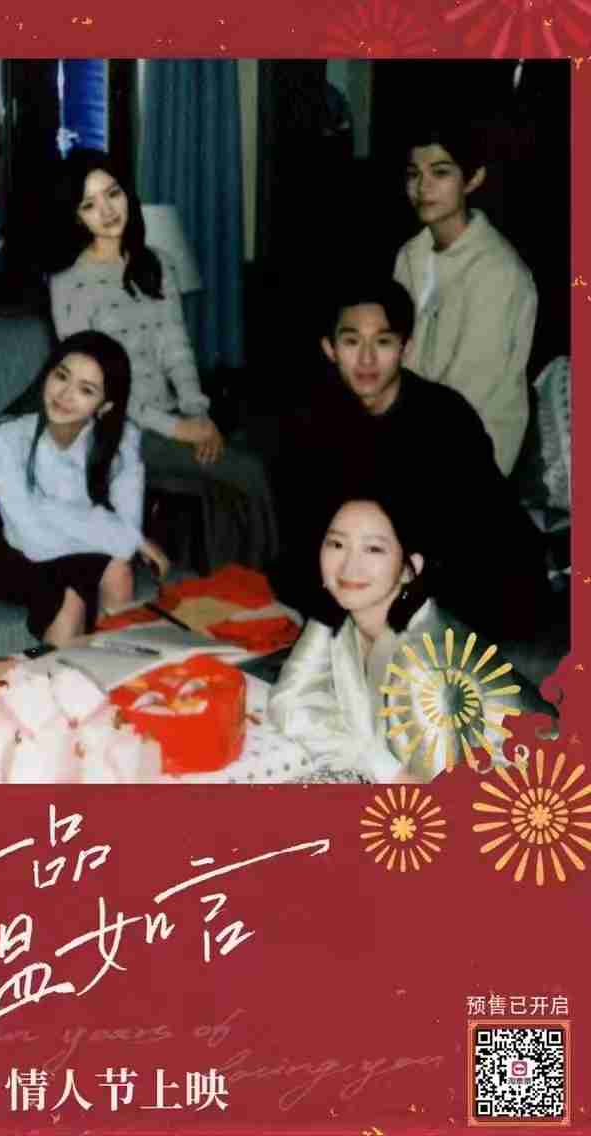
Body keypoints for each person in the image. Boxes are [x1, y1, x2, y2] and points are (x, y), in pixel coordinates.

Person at [270, 275, 550, 643]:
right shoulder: (309, 420)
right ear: (330, 348)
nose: (367, 359)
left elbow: (466, 538)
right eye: (351, 341)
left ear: (405, 347)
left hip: (462, 575)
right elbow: (305, 530)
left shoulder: (445, 417)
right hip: (372, 568)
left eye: (383, 342)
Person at [48, 147, 278, 571]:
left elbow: (177, 348)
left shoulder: (157, 263)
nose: (107, 210)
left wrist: (197, 413)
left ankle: (233, 595)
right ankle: (273, 585)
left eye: (113, 193)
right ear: (77, 217)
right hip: (117, 430)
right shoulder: (69, 284)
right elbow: (93, 388)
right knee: (247, 471)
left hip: (172, 416)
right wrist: (180, 429)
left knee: (227, 487)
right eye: (89, 204)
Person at [268, 491, 554, 783]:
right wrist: (380, 765)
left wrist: (382, 771)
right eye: (337, 544)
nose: (349, 566)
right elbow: (289, 701)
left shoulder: (425, 666)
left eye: (373, 549)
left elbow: (439, 802)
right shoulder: (343, 610)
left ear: (410, 568)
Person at [0, 330, 169, 647]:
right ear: (47, 374)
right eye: (61, 376)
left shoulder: (122, 439)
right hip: (11, 549)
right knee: (69, 598)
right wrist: (126, 537)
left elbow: (124, 536)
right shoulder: (8, 436)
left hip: (80, 543)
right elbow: (31, 538)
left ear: (105, 405)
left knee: (118, 569)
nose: (65, 394)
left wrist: (125, 538)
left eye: (86, 390)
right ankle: (61, 676)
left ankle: (118, 667)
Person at [394, 123, 537, 475]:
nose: (423, 186)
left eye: (440, 172)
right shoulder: (410, 255)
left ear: (473, 179)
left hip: (472, 454)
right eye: (414, 174)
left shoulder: (499, 272)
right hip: (409, 429)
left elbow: (466, 394)